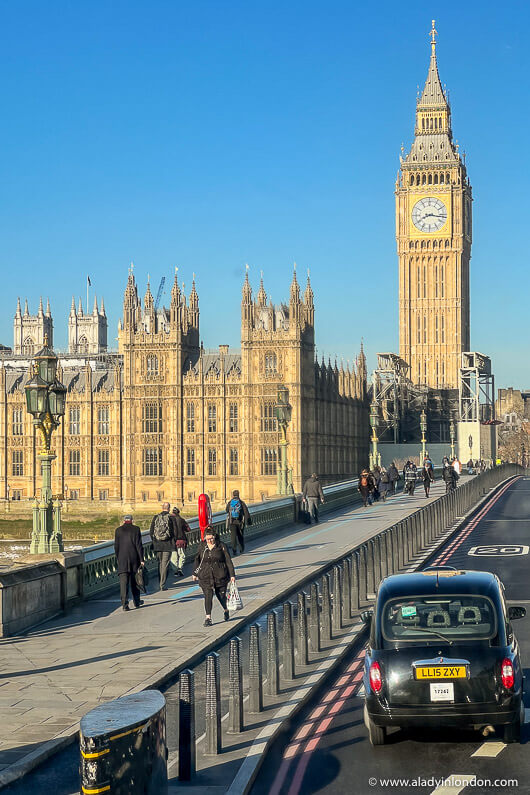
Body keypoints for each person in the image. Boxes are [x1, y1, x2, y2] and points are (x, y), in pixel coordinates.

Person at [193, 527, 236, 626]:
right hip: (205, 575)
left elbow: (228, 561)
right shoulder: (202, 546)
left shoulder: (221, 546)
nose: (209, 541)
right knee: (208, 596)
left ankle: (226, 609)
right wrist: (194, 573)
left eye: (211, 539)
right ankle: (208, 618)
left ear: (215, 537)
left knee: (220, 595)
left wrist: (232, 575)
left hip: (220, 574)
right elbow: (197, 560)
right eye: (207, 539)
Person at [114, 514, 144, 611]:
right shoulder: (136, 529)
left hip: (122, 559)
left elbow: (116, 547)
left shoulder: (118, 530)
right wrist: (142, 559)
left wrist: (119, 558)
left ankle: (124, 604)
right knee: (135, 581)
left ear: (124, 521)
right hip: (134, 558)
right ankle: (137, 601)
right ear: (132, 520)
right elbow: (139, 545)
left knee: (123, 583)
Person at [150, 502, 177, 591]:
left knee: (160, 563)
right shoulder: (171, 518)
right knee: (165, 564)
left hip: (157, 544)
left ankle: (160, 581)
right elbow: (175, 532)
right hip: (167, 544)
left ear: (162, 508)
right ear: (169, 508)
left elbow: (151, 531)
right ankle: (162, 584)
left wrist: (155, 540)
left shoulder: (156, 517)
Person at [225, 489, 251, 556]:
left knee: (233, 537)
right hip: (240, 522)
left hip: (232, 522)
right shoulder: (241, 502)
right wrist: (248, 522)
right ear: (238, 495)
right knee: (240, 535)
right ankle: (241, 549)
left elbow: (227, 510)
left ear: (233, 495)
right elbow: (246, 512)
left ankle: (234, 550)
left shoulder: (230, 502)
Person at [170, 506, 189, 577]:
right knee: (181, 555)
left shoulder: (169, 520)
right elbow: (188, 529)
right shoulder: (181, 520)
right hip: (181, 540)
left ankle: (175, 570)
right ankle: (180, 569)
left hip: (172, 541)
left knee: (173, 557)